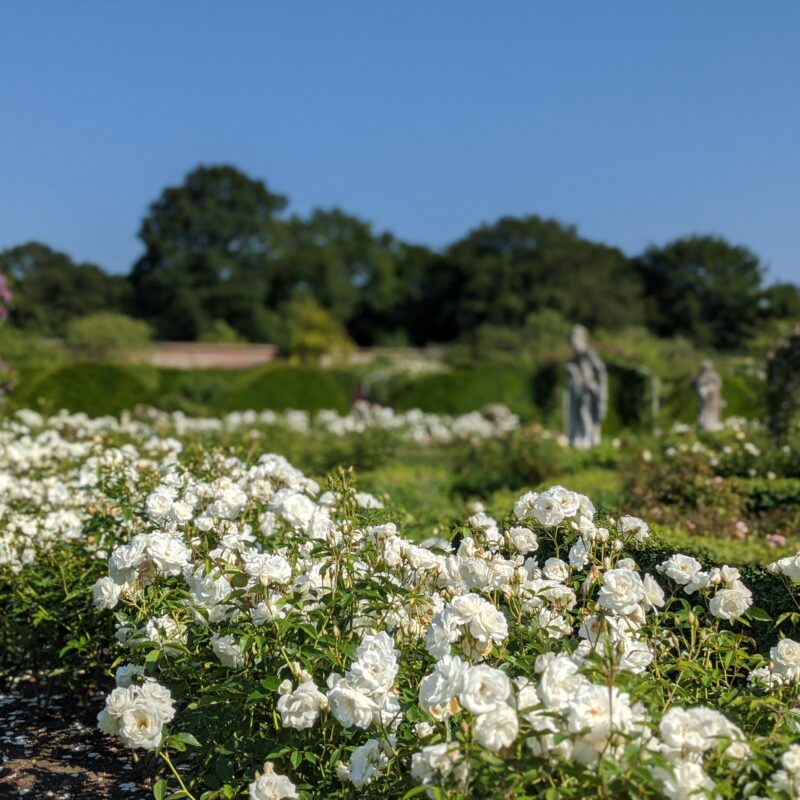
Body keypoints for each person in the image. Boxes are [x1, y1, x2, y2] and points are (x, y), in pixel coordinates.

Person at [565, 325, 607, 448]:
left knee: (586, 413)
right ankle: (580, 436)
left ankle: (589, 436)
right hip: (579, 389)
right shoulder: (575, 356)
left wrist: (601, 389)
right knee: (578, 413)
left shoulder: (588, 352)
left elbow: (600, 369)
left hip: (588, 389)